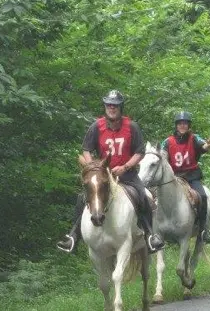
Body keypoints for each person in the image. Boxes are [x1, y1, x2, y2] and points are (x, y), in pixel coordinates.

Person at [56, 89, 165, 254]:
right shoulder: (96, 127)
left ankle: (150, 235)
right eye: (108, 105)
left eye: (115, 105)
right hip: (103, 174)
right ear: (105, 107)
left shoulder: (132, 127)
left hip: (127, 175)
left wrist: (125, 167)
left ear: (121, 107)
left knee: (143, 196)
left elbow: (140, 152)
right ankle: (73, 236)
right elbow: (86, 149)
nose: (111, 108)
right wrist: (92, 166)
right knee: (81, 198)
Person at [160, 111, 210, 243]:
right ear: (176, 125)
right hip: (174, 178)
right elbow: (162, 157)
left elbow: (204, 145)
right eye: (180, 124)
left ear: (188, 125)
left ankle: (203, 230)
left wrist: (208, 145)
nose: (182, 126)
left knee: (203, 196)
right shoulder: (168, 141)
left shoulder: (194, 138)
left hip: (191, 177)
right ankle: (155, 230)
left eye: (185, 124)